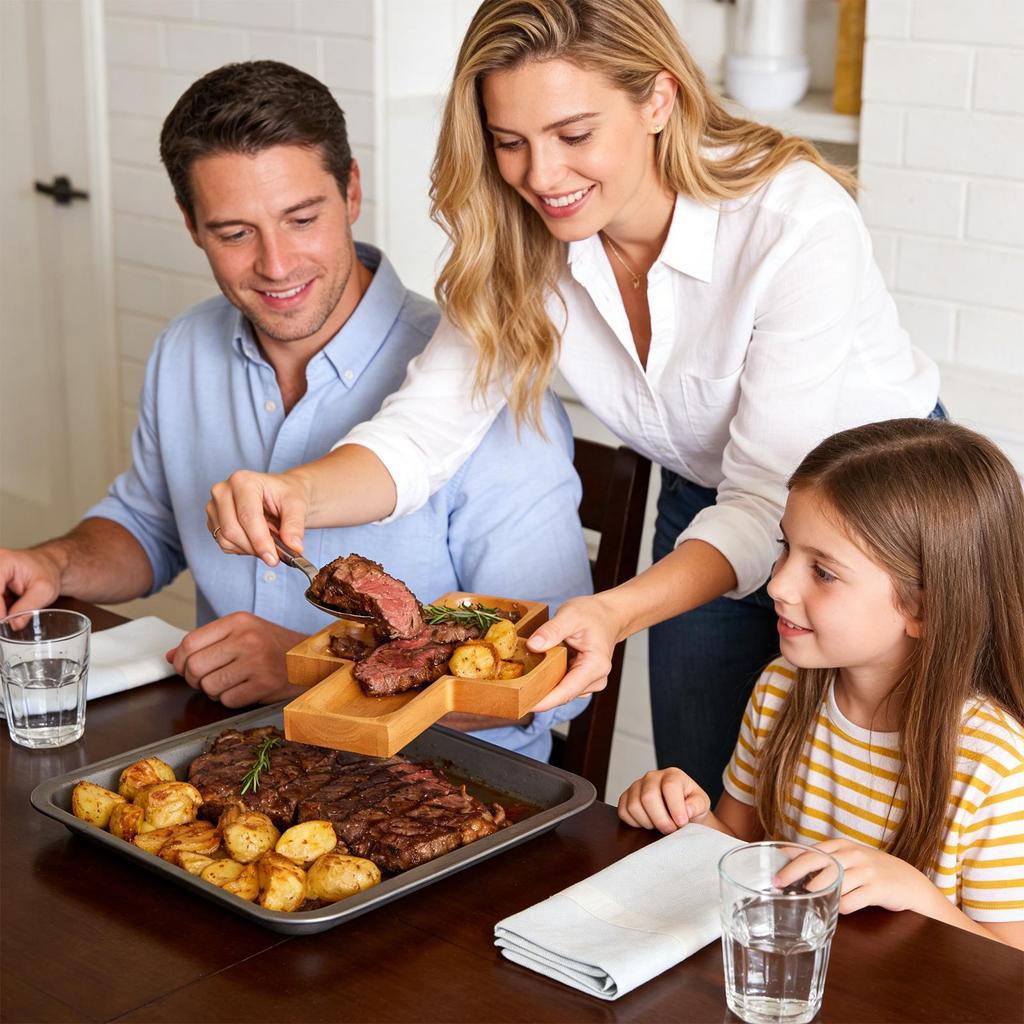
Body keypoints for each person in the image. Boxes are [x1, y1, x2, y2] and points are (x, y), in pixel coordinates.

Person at [204, 0, 940, 799]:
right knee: (703, 794)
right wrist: (298, 490)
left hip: (884, 535)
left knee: (869, 816)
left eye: (574, 135)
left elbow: (768, 494)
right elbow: (421, 436)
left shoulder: (792, 221)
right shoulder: (523, 236)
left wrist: (615, 612)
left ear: (658, 99)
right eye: (509, 142)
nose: (541, 176)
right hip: (708, 508)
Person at [0, 60, 593, 762]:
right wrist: (53, 565)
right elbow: (152, 524)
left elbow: (555, 680)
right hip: (232, 759)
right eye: (234, 233)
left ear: (351, 191)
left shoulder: (487, 392)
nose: (276, 265)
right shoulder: (186, 348)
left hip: (446, 789)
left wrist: (310, 667)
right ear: (191, 225)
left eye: (301, 218)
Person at [618, 418, 1024, 949]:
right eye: (785, 549)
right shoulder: (780, 689)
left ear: (922, 607)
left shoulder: (994, 765)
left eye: (824, 572)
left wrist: (918, 896)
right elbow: (740, 854)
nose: (778, 583)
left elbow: (1008, 970)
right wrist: (686, 815)